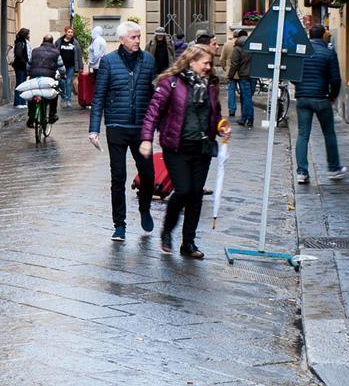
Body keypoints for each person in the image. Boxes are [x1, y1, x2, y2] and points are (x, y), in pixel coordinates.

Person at [139, 45, 225, 259]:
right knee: (184, 190)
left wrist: (222, 126)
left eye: (210, 63)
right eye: (205, 62)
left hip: (202, 148)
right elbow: (153, 113)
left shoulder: (211, 85)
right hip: (176, 146)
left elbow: (215, 114)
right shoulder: (171, 82)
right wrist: (146, 139)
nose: (208, 66)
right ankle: (167, 231)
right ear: (191, 61)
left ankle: (188, 243)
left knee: (196, 195)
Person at [89, 21, 158, 241]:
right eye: (133, 37)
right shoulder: (108, 62)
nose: (138, 40)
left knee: (148, 174)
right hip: (116, 127)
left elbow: (156, 95)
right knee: (118, 177)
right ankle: (119, 225)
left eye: (139, 36)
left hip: (141, 129)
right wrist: (94, 129)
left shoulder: (148, 60)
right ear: (121, 40)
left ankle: (144, 208)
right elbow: (98, 96)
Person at [292, 25, 346, 185]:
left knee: (302, 134)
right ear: (323, 36)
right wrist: (333, 96)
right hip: (321, 97)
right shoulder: (328, 53)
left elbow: (293, 75)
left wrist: (300, 87)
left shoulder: (301, 52)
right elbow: (336, 79)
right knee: (329, 134)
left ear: (309, 36)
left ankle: (302, 172)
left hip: (302, 98)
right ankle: (334, 168)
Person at [27, 34, 63, 125]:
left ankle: (31, 116)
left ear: (43, 40)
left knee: (31, 94)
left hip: (35, 76)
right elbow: (61, 67)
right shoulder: (56, 52)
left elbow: (29, 64)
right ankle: (52, 115)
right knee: (54, 94)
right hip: (49, 77)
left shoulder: (34, 51)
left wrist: (29, 73)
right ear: (52, 41)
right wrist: (63, 74)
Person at [227, 29, 253, 127]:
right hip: (254, 75)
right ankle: (245, 118)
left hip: (244, 75)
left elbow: (234, 64)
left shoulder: (237, 47)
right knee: (248, 97)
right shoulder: (253, 44)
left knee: (246, 98)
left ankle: (248, 119)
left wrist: (230, 76)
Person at [57, 26, 83, 109]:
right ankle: (63, 98)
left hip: (71, 66)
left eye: (71, 32)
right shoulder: (59, 42)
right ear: (65, 32)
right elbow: (55, 52)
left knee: (68, 82)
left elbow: (79, 55)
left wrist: (80, 66)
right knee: (62, 82)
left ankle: (68, 100)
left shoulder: (75, 43)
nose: (70, 34)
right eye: (69, 32)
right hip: (61, 66)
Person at [219, 32, 238, 117]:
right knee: (243, 92)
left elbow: (222, 59)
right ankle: (244, 110)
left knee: (231, 90)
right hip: (241, 71)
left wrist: (225, 68)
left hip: (230, 71)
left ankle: (231, 109)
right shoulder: (244, 44)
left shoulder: (227, 45)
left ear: (233, 36)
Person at [12, 28, 31, 107]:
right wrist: (24, 62)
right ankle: (18, 102)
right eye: (28, 34)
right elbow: (19, 54)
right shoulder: (20, 42)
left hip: (22, 66)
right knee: (20, 84)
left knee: (23, 84)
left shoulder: (23, 42)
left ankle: (22, 102)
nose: (29, 35)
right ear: (25, 35)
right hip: (20, 66)